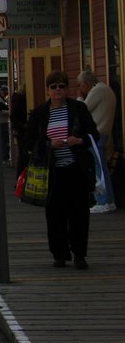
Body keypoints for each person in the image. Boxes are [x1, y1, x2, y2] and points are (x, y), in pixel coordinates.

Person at [25, 70, 98, 269]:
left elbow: (94, 134)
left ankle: (79, 254)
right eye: (53, 86)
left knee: (79, 213)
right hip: (51, 171)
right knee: (55, 214)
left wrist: (79, 140)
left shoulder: (78, 109)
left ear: (67, 89)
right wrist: (49, 144)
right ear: (48, 90)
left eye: (62, 86)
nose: (58, 90)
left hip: (76, 169)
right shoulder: (40, 113)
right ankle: (59, 254)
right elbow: (29, 140)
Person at [78, 69, 117, 213]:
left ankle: (103, 201)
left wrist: (80, 98)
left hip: (96, 134)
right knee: (102, 168)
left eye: (80, 85)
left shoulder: (97, 91)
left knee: (98, 169)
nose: (80, 88)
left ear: (86, 83)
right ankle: (110, 200)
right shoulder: (106, 89)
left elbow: (83, 109)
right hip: (104, 133)